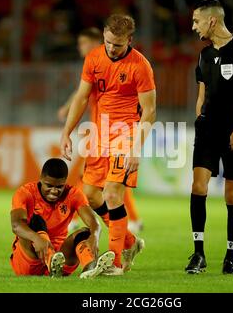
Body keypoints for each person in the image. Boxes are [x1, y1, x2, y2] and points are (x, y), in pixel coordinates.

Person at [60, 14, 156, 276]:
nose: (112, 48)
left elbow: (149, 111)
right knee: (90, 194)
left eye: (118, 44)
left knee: (113, 194)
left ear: (130, 40)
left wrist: (136, 148)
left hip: (126, 135)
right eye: (109, 42)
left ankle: (114, 262)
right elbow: (81, 97)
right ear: (103, 34)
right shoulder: (94, 58)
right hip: (99, 135)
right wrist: (66, 131)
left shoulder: (141, 66)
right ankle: (130, 242)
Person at [186, 0, 233, 275]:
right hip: (207, 129)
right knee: (198, 186)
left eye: (196, 21)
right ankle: (198, 254)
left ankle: (230, 256)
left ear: (212, 21)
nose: (193, 26)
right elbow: (202, 94)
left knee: (232, 195)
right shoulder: (204, 55)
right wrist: (199, 119)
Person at [57, 27, 144, 234]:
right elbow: (82, 93)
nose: (80, 48)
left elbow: (81, 94)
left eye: (82, 43)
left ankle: (76, 217)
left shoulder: (107, 64)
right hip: (98, 131)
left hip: (110, 132)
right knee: (106, 183)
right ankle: (129, 225)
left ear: (94, 42)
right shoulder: (96, 64)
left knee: (96, 180)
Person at [9, 158, 114, 279]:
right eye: (49, 185)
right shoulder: (25, 193)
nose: (54, 191)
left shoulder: (74, 194)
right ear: (41, 179)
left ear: (65, 182)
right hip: (29, 260)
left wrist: (94, 236)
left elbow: (94, 222)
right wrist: (37, 238)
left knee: (85, 233)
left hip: (61, 259)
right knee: (35, 220)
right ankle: (50, 259)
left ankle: (90, 267)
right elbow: (16, 225)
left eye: (59, 187)